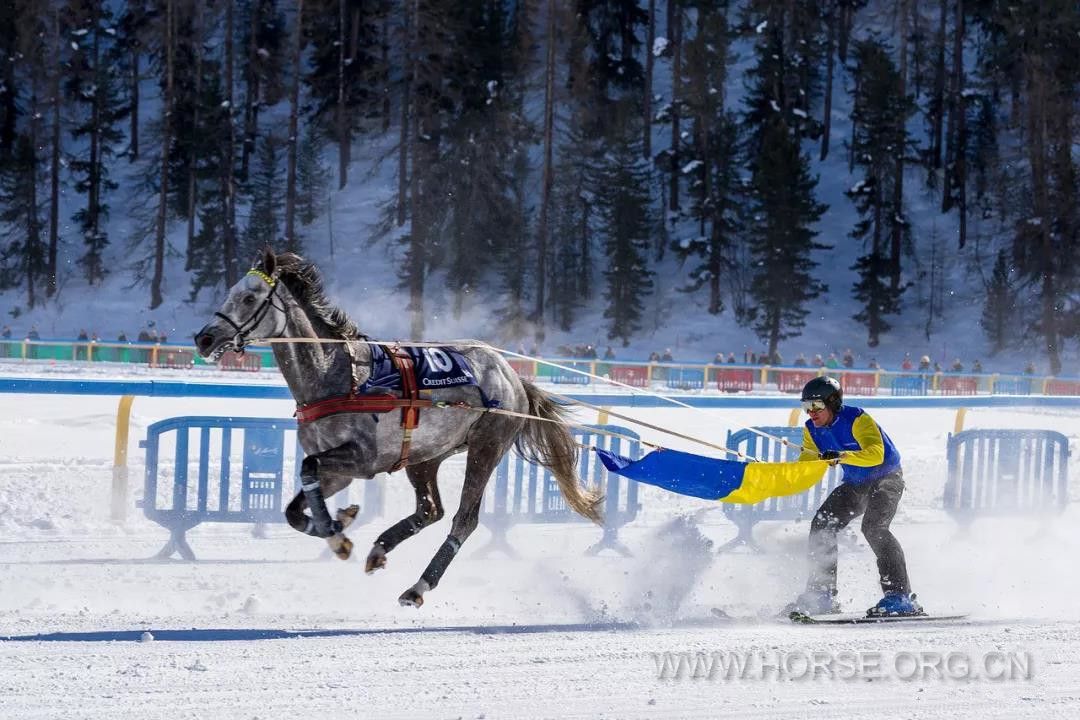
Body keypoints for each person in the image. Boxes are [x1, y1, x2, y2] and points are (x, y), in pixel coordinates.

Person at [784, 376, 921, 618]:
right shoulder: (811, 429)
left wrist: (843, 455)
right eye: (806, 407)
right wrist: (774, 473)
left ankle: (900, 596)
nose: (811, 413)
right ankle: (821, 595)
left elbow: (876, 454)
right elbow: (805, 464)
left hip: (886, 478)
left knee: (874, 528)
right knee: (822, 524)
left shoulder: (857, 418)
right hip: (856, 483)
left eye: (816, 406)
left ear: (833, 402)